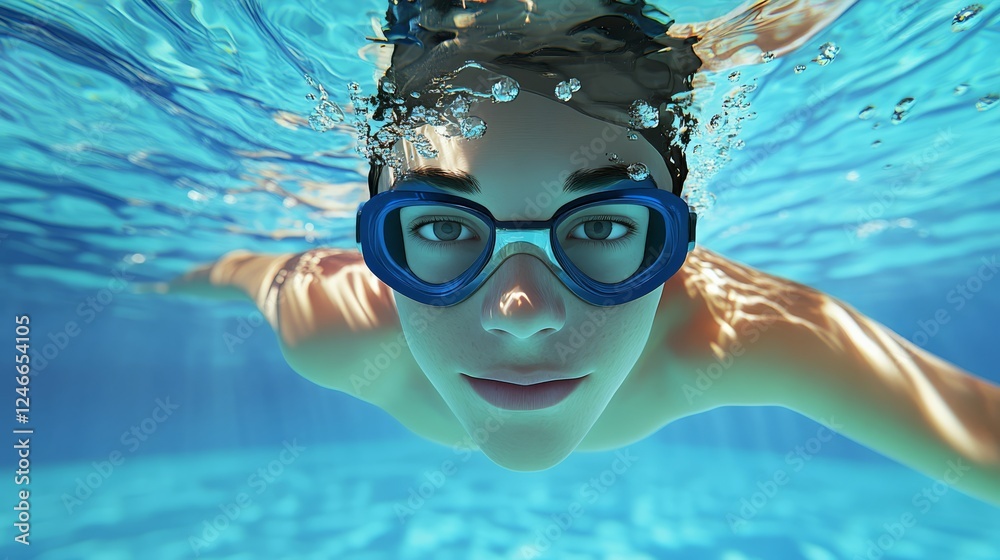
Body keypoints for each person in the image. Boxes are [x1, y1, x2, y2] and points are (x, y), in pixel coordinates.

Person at [159, 0, 1000, 505]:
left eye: (600, 227)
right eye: (445, 227)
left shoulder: (731, 334)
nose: (522, 313)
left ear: (671, 239)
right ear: (379, 238)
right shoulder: (330, 324)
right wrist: (164, 286)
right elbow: (238, 275)